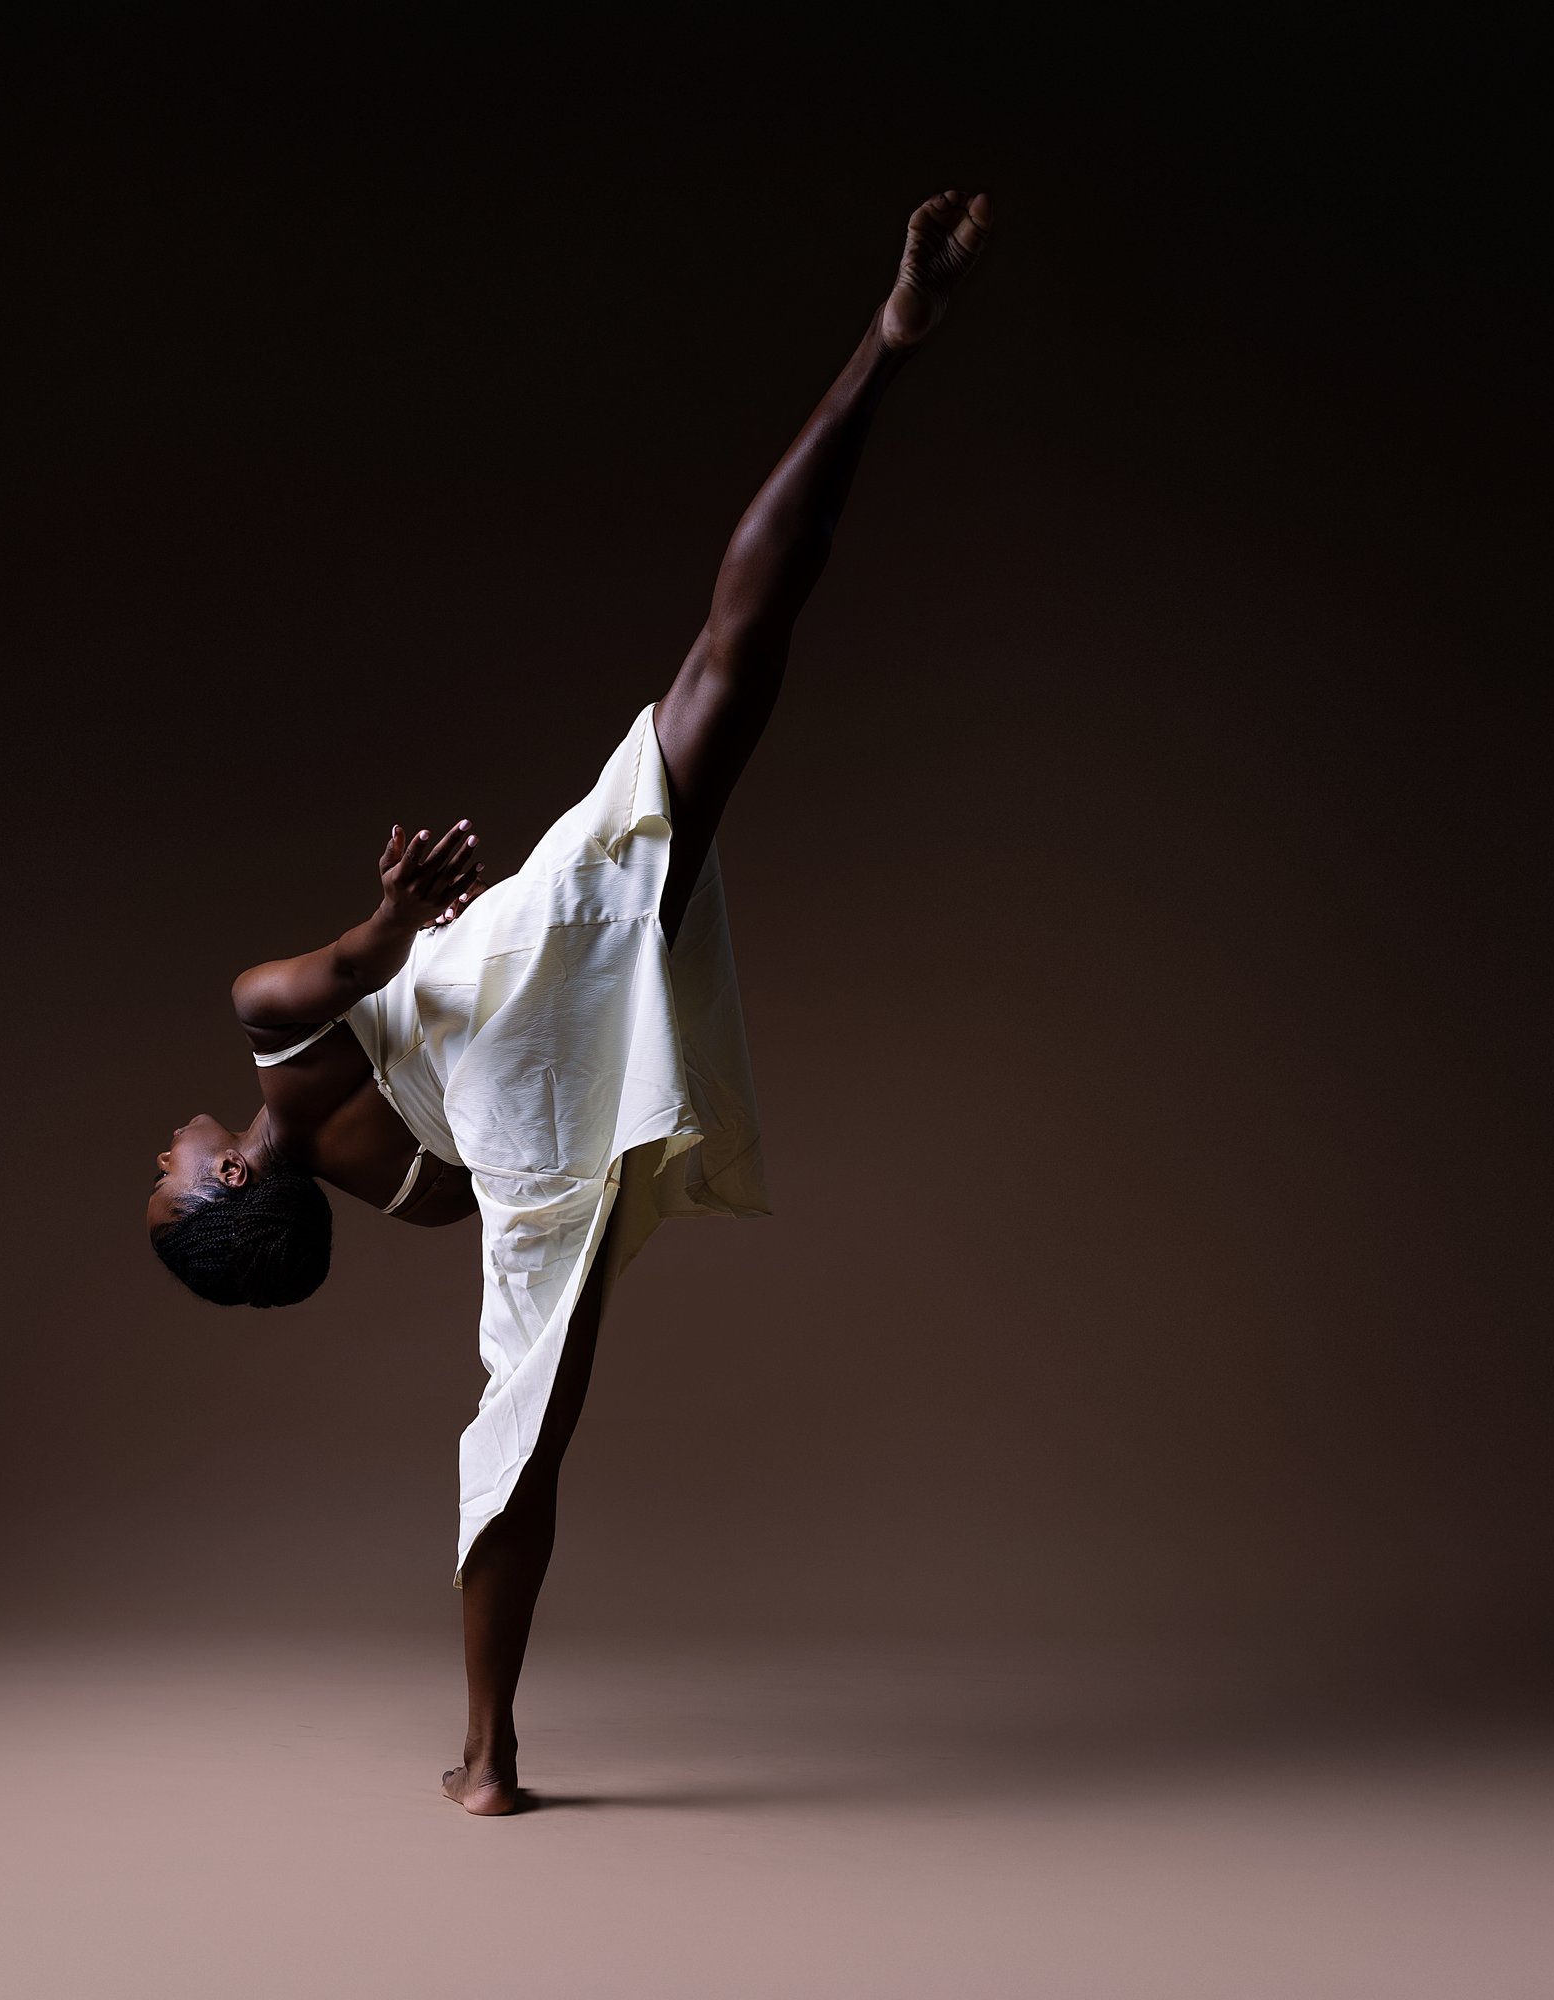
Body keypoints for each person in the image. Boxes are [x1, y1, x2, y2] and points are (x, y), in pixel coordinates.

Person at [149, 189, 993, 1813]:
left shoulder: (391, 1195)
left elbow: (466, 1151)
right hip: (504, 1003)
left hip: (533, 1115)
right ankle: (886, 350)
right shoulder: (263, 1017)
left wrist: (421, 974)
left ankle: (489, 1760)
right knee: (723, 667)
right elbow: (330, 976)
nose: (164, 1146)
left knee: (522, 1432)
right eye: (165, 1178)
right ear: (231, 1184)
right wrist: (399, 924)